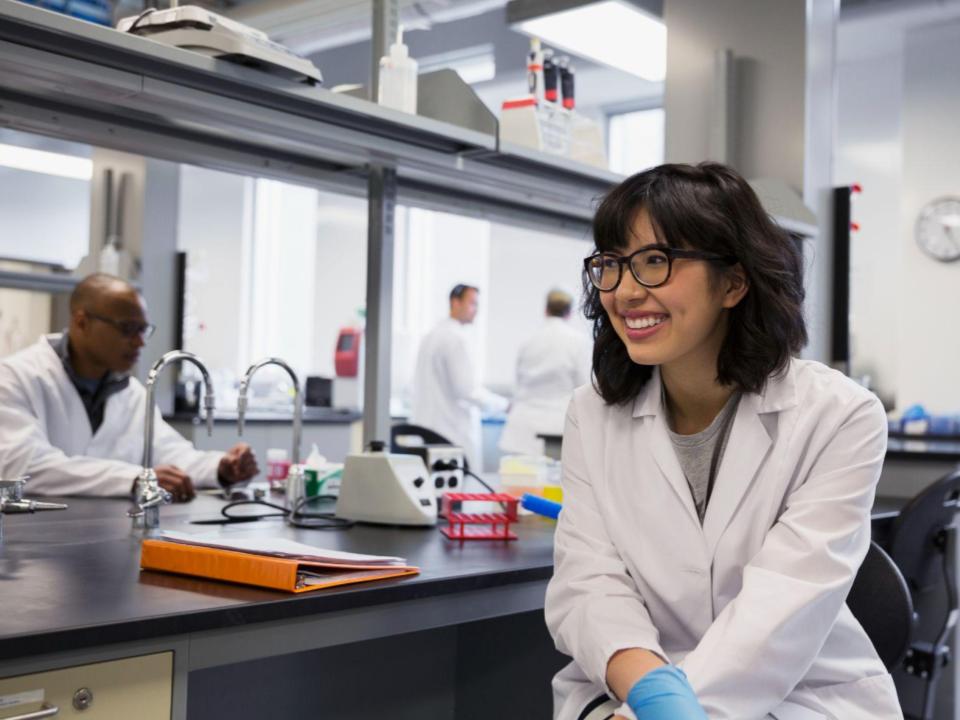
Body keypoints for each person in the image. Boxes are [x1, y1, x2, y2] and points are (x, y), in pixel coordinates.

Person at [544, 163, 901, 720]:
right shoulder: (591, 414)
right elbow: (590, 584)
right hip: (631, 689)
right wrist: (652, 698)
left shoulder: (840, 416)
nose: (627, 291)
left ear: (733, 282)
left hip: (798, 698)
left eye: (656, 262)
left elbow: (784, 604)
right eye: (611, 265)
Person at [0, 273, 258, 501]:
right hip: (32, 539)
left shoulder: (131, 392)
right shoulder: (14, 378)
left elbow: (168, 452)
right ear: (81, 322)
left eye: (143, 330)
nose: (139, 343)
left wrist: (220, 468)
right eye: (127, 329)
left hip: (108, 534)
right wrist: (133, 479)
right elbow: (24, 466)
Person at [410, 284, 508, 470]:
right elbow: (467, 390)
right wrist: (503, 405)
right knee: (459, 491)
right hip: (451, 433)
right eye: (472, 303)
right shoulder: (456, 339)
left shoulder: (431, 336)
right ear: (455, 302)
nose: (476, 310)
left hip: (428, 430)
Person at [499, 289, 590, 456]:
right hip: (557, 428)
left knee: (520, 479)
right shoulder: (578, 342)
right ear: (569, 312)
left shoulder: (528, 340)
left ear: (546, 310)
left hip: (522, 429)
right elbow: (584, 387)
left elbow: (519, 384)